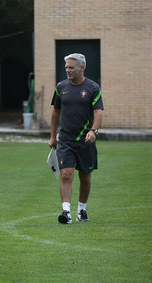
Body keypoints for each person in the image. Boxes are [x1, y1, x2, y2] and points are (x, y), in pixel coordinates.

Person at [49, 53, 103, 224]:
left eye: (71, 67)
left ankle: (82, 210)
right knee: (66, 174)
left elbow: (98, 112)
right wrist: (52, 136)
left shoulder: (93, 88)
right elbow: (55, 112)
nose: (67, 70)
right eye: (66, 67)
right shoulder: (61, 87)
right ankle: (66, 213)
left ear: (82, 68)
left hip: (85, 141)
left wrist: (93, 131)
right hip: (65, 140)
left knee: (85, 176)